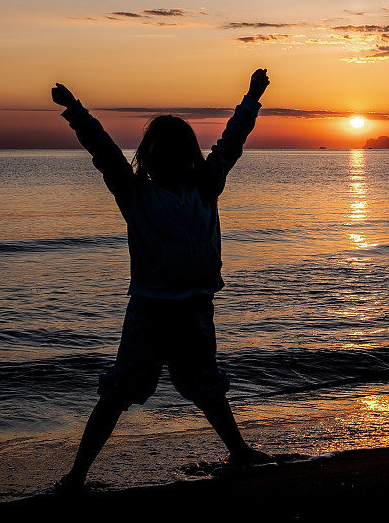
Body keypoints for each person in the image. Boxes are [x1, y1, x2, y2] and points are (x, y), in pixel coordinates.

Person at [50, 69, 272, 493]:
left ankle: (239, 452)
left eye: (174, 148)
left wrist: (251, 97)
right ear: (148, 155)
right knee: (118, 393)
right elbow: (103, 150)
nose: (164, 155)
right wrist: (75, 110)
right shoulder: (135, 193)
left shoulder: (206, 186)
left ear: (187, 154)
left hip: (194, 307)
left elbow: (231, 142)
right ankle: (77, 474)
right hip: (150, 309)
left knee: (206, 387)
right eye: (157, 148)